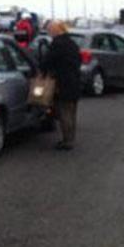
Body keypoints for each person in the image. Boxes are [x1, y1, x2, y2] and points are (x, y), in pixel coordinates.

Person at [41, 20, 82, 150]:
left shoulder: (57, 44)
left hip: (63, 82)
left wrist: (42, 70)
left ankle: (67, 141)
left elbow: (48, 60)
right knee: (71, 110)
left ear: (57, 30)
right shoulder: (72, 43)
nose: (49, 32)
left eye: (50, 30)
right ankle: (70, 138)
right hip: (74, 80)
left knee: (64, 111)